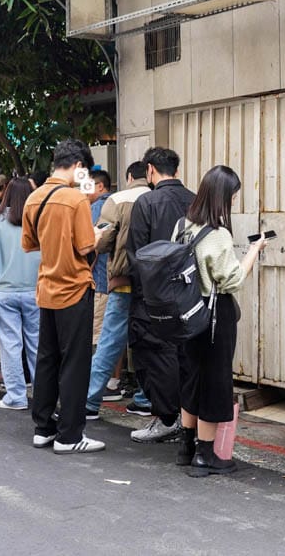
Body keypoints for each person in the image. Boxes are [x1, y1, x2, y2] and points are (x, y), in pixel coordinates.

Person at [176, 166, 267, 475]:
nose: (236, 200)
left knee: (192, 378)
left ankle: (186, 446)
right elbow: (231, 280)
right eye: (234, 195)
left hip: (187, 313)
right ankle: (205, 455)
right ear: (223, 197)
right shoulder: (218, 234)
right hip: (214, 314)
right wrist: (254, 251)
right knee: (215, 382)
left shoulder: (182, 225)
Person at [22, 139, 105, 454]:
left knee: (47, 359)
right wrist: (97, 234)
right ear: (80, 167)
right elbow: (85, 247)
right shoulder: (75, 199)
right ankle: (70, 435)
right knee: (75, 362)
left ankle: (43, 428)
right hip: (74, 287)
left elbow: (29, 244)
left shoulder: (34, 197)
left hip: (46, 287)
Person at [124, 147, 195, 442]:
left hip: (154, 294)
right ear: (176, 171)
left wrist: (140, 296)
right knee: (185, 355)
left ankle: (168, 419)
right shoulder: (193, 200)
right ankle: (186, 420)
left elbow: (137, 253)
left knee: (153, 355)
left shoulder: (147, 201)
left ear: (150, 170)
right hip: (190, 292)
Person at [85, 161, 152, 421]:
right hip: (155, 285)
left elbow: (101, 242)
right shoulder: (160, 197)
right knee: (150, 343)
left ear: (128, 176)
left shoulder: (118, 199)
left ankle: (89, 400)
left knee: (109, 341)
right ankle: (146, 398)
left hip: (123, 280)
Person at [0, 178, 40, 411]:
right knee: (36, 343)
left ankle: (16, 396)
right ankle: (42, 395)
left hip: (5, 291)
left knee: (11, 344)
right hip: (36, 290)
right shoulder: (39, 221)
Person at [88, 169, 111, 346]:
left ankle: (94, 374)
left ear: (100, 186)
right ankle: (115, 375)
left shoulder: (95, 208)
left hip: (99, 280)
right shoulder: (116, 204)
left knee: (97, 334)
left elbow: (92, 246)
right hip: (115, 279)